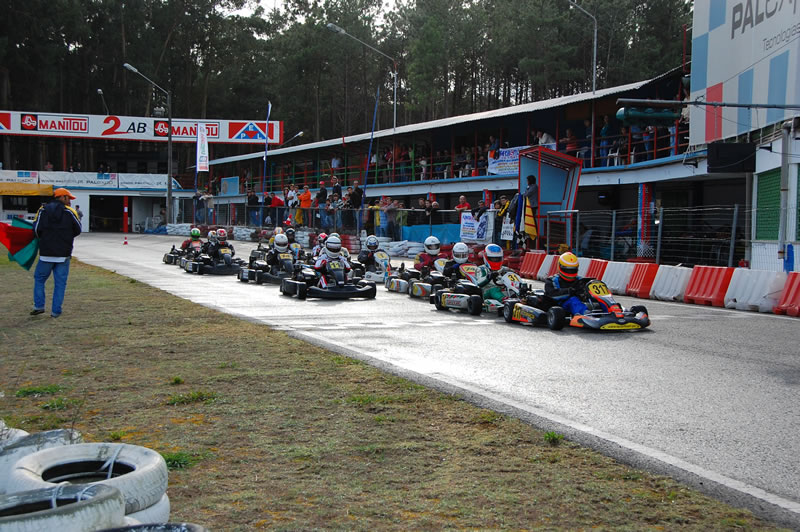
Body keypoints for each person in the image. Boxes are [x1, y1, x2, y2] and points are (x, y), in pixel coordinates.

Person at [31, 188, 82, 318]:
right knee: (60, 283)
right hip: (63, 253)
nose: (70, 201)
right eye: (69, 198)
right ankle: (55, 312)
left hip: (46, 253)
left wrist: (45, 240)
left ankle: (39, 306)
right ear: (62, 197)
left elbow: (36, 230)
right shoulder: (70, 212)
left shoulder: (42, 210)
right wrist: (65, 238)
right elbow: (78, 229)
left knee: (39, 279)